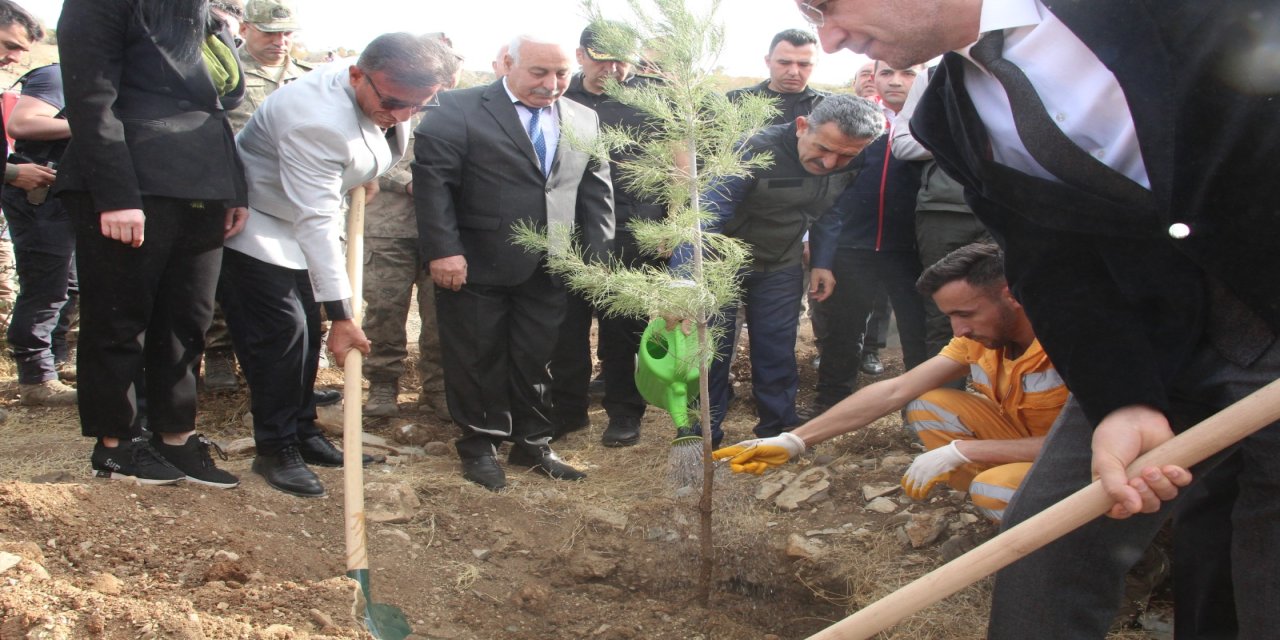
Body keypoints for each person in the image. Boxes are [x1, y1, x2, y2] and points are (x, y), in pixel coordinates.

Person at [795, 0, 1280, 637]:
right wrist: (1122, 400)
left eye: (828, 5)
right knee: (1048, 551)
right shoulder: (947, 112)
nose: (830, 39)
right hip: (1153, 348)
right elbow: (1052, 262)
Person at [223, 33, 455, 498]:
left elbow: (362, 150)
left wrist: (362, 173)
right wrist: (344, 317)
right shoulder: (315, 121)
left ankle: (304, 430)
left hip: (305, 215)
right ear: (356, 77)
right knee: (281, 335)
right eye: (393, 103)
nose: (404, 115)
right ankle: (275, 448)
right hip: (262, 221)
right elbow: (316, 221)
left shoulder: (380, 84)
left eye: (419, 105)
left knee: (306, 335)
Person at [717, 243, 1067, 522]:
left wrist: (967, 451)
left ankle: (1063, 541)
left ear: (1011, 294)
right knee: (929, 405)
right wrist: (794, 440)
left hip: (1083, 461)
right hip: (1032, 448)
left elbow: (1083, 443)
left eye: (966, 314)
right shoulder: (978, 341)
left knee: (995, 490)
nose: (959, 330)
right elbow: (896, 390)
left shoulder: (1070, 343)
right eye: (950, 317)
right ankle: (1017, 494)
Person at [56, 0, 247, 487]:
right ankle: (116, 444)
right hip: (133, 180)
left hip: (202, 184)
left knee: (188, 319)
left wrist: (233, 190)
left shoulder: (206, 16)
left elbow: (217, 110)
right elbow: (91, 99)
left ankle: (175, 437)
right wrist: (116, 196)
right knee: (120, 317)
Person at [414, 34, 614, 491]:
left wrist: (596, 261)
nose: (551, 84)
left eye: (561, 73)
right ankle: (480, 446)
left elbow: (596, 192)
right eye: (539, 72)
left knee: (537, 357)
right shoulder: (458, 108)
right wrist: (443, 250)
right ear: (508, 63)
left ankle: (532, 443)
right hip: (475, 261)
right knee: (477, 355)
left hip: (551, 263)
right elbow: (433, 185)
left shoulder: (583, 117)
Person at [674, 94, 883, 446]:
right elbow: (706, 215)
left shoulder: (853, 157)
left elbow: (831, 210)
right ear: (802, 126)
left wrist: (821, 261)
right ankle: (700, 436)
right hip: (720, 264)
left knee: (777, 351)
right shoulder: (753, 149)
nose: (830, 163)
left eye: (845, 156)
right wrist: (685, 283)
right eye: (823, 148)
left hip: (780, 263)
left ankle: (778, 430)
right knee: (711, 352)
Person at [550, 24, 664, 447]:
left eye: (622, 61)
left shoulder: (652, 102)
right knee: (566, 327)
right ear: (581, 55)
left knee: (623, 329)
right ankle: (568, 410)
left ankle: (625, 412)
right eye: (602, 60)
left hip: (631, 230)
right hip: (569, 228)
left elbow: (676, 167)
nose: (613, 69)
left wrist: (668, 226)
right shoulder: (558, 97)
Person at [200, 0, 313, 393]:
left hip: (291, 200)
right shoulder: (225, 72)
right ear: (246, 29)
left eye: (287, 33)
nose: (280, 41)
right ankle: (218, 353)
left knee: (290, 292)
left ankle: (288, 375)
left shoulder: (306, 79)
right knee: (224, 281)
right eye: (270, 32)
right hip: (235, 192)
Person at [806, 60, 928, 419]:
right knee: (843, 330)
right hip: (851, 246)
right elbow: (830, 191)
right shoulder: (855, 122)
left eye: (908, 73)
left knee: (918, 332)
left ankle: (924, 413)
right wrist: (823, 254)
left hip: (911, 249)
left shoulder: (932, 120)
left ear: (923, 76)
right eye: (887, 73)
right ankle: (831, 405)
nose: (896, 81)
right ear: (873, 77)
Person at [362, 38, 462, 421]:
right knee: (384, 311)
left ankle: (437, 388)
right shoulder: (389, 98)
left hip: (442, 233)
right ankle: (382, 383)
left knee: (441, 317)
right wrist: (407, 182)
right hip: (388, 227)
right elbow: (363, 155)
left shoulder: (459, 109)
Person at [890, 68, 991, 362]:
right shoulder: (933, 74)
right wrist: (959, 140)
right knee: (942, 305)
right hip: (944, 210)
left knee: (1014, 300)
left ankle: (1007, 387)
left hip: (1012, 207)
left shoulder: (1030, 60)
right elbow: (902, 143)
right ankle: (943, 390)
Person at [3, 60, 79, 407]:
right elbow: (21, 123)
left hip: (68, 193)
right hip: (41, 191)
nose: (18, 55)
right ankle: (36, 378)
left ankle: (56, 360)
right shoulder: (57, 74)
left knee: (70, 285)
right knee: (47, 287)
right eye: (11, 45)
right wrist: (92, 124)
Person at [726, 29, 825, 126]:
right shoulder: (734, 100)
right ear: (768, 61)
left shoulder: (827, 105)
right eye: (784, 63)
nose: (793, 72)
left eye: (804, 64)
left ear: (816, 64)